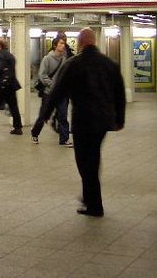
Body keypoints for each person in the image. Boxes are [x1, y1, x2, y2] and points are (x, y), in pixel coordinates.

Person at [45, 28, 125, 217]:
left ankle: (94, 204)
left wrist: (46, 113)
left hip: (83, 120)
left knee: (84, 161)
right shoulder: (109, 64)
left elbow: (59, 90)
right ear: (94, 41)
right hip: (103, 121)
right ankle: (90, 198)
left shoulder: (74, 63)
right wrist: (119, 118)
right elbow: (119, 93)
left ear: (80, 42)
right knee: (93, 157)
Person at [29, 37, 68, 144]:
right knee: (43, 115)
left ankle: (64, 139)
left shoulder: (64, 59)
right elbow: (42, 75)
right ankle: (35, 133)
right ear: (55, 45)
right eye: (61, 43)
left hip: (61, 93)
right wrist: (52, 85)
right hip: (49, 93)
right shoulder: (47, 59)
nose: (63, 45)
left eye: (64, 44)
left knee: (63, 115)